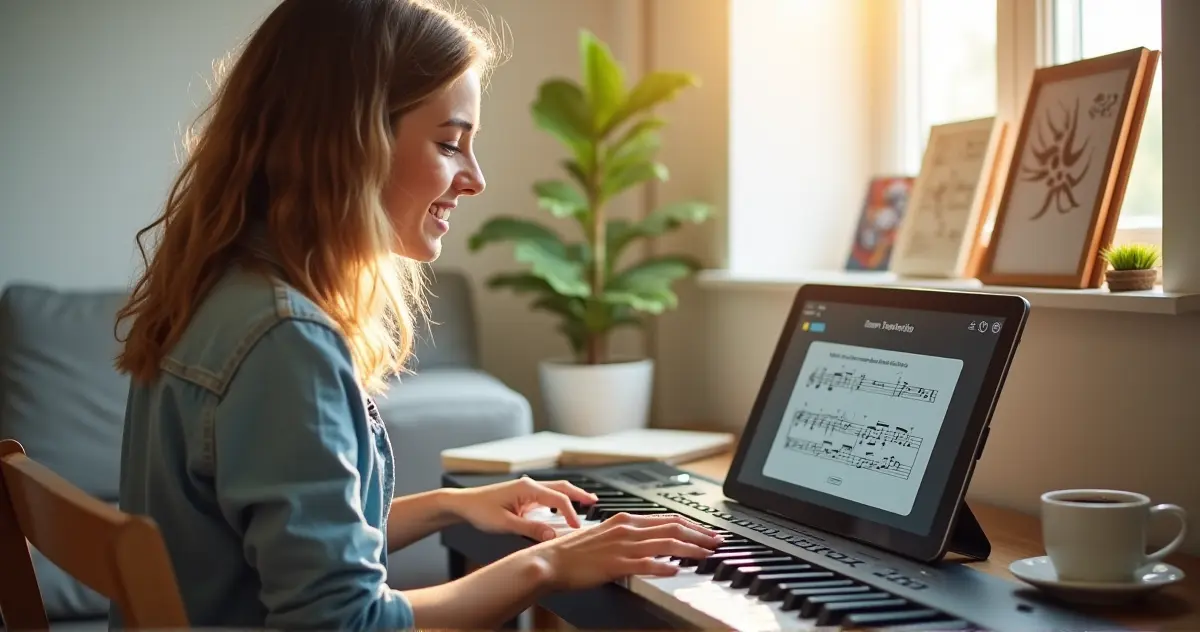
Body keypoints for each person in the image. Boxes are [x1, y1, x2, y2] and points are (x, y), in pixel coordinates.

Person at [111, 0, 722, 629]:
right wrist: (550, 565)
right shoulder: (285, 342)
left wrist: (450, 508)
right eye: (450, 143)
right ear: (350, 142)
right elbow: (348, 624)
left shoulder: (218, 293)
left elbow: (281, 544)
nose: (475, 179)